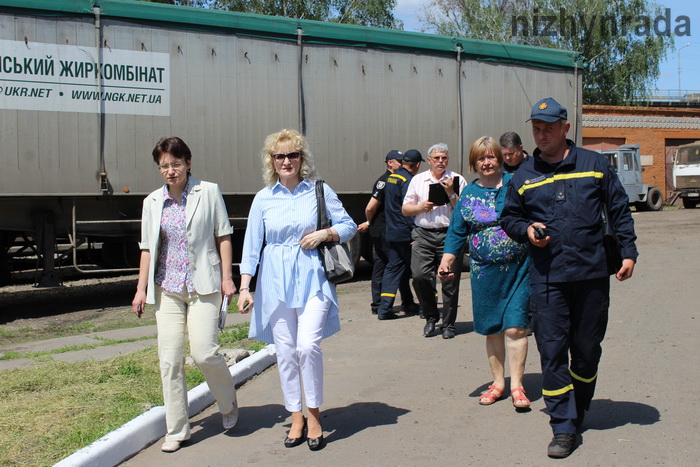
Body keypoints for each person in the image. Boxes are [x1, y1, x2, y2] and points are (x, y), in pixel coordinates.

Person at [500, 98, 638, 459]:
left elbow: (619, 208)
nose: (540, 134)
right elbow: (509, 218)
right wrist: (526, 228)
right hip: (548, 278)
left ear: (565, 128)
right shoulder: (524, 174)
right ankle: (562, 425)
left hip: (591, 274)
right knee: (553, 351)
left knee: (587, 351)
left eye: (547, 128)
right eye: (536, 128)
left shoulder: (594, 165)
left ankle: (579, 405)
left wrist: (628, 251)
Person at [237, 129, 356, 451]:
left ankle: (314, 414)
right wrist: (245, 287)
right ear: (271, 161)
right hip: (274, 281)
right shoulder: (264, 197)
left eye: (293, 155)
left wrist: (325, 234)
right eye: (280, 156)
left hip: (312, 277)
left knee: (306, 346)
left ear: (302, 158)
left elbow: (348, 225)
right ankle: (296, 415)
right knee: (286, 352)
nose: (286, 161)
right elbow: (251, 246)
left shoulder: (319, 190)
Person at [131, 137, 238, 453]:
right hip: (167, 289)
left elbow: (224, 235)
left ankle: (228, 403)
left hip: (204, 285)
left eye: (175, 164)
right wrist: (140, 289)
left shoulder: (208, 192)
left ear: (188, 163)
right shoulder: (152, 202)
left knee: (205, 352)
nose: (170, 170)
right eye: (164, 165)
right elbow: (147, 248)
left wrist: (227, 278)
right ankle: (177, 429)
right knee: (170, 359)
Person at [438, 137, 530, 409]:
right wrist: (447, 259)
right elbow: (457, 229)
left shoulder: (515, 184)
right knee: (492, 330)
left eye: (491, 157)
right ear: (474, 162)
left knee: (515, 328)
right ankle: (498, 383)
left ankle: (517, 386)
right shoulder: (469, 193)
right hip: (483, 272)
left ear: (500, 159)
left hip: (518, 268)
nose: (486, 162)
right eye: (481, 158)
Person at [402, 143, 467, 339]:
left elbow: (463, 211)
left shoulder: (457, 179)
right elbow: (406, 209)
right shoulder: (418, 180)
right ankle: (431, 316)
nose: (441, 161)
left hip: (450, 234)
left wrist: (450, 193)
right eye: (437, 158)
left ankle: (449, 324)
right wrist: (421, 207)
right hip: (423, 233)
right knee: (420, 276)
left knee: (449, 280)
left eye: (444, 158)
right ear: (429, 160)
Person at [357, 150, 419, 316]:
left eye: (402, 160)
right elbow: (370, 207)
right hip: (387, 230)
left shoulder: (392, 179)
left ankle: (393, 303)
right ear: (389, 162)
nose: (401, 163)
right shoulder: (387, 181)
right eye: (398, 160)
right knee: (391, 266)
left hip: (387, 230)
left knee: (392, 266)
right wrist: (370, 223)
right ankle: (382, 305)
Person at [376, 149, 424, 321]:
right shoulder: (408, 181)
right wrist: (415, 232)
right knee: (421, 270)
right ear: (417, 164)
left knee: (393, 268)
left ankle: (385, 308)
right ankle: (426, 308)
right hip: (406, 232)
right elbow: (408, 209)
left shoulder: (392, 177)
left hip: (393, 231)